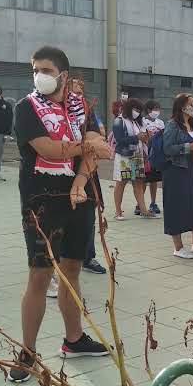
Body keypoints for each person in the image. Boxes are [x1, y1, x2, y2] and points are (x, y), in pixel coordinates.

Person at [9, 46, 113, 383]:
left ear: (64, 75)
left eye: (47, 69)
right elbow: (49, 149)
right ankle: (27, 351)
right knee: (40, 275)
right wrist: (87, 146)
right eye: (35, 69)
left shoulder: (81, 106)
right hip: (42, 201)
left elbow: (98, 144)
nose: (40, 75)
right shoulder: (27, 108)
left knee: (72, 269)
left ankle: (73, 339)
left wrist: (81, 179)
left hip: (79, 196)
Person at [160, 94, 193, 259]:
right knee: (176, 207)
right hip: (176, 171)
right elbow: (167, 149)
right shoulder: (172, 125)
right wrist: (188, 147)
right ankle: (178, 247)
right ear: (182, 107)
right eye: (191, 104)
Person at [68, 77, 106, 277]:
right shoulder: (54, 109)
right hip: (62, 170)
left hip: (87, 170)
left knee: (88, 215)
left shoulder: (87, 110)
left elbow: (98, 138)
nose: (79, 88)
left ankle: (87, 256)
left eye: (82, 86)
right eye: (75, 84)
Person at [112, 98, 155, 220]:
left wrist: (146, 137)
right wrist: (137, 137)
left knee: (139, 183)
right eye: (136, 109)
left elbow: (142, 138)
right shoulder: (119, 121)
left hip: (137, 156)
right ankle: (118, 211)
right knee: (121, 183)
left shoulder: (138, 122)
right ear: (129, 108)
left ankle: (143, 210)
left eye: (139, 110)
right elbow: (119, 140)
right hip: (124, 157)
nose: (137, 112)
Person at [142, 100, 165, 215]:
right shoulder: (142, 122)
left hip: (156, 154)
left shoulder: (160, 123)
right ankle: (140, 204)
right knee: (142, 180)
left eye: (158, 108)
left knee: (154, 180)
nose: (157, 111)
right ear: (148, 110)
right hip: (145, 154)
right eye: (154, 109)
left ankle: (153, 202)